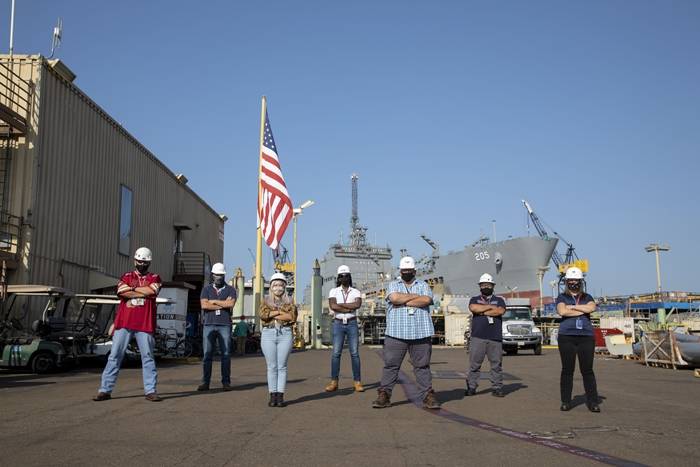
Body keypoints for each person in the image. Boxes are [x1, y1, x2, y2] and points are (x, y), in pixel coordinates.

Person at [93, 247, 163, 402]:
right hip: (124, 323)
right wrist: (140, 291)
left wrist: (132, 290)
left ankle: (150, 390)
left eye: (144, 262)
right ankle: (105, 390)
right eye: (139, 261)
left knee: (148, 357)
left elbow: (152, 291)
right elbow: (122, 291)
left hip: (145, 324)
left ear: (149, 262)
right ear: (134, 260)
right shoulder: (126, 276)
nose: (141, 264)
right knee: (115, 355)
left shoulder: (155, 277)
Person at [373, 256, 441, 409]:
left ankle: (428, 395)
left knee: (422, 367)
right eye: (404, 270)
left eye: (410, 270)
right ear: (400, 271)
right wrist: (415, 298)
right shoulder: (393, 285)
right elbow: (395, 298)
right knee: (391, 366)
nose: (407, 272)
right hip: (396, 333)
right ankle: (384, 394)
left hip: (420, 332)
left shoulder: (423, 284)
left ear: (414, 271)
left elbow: (427, 300)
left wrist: (404, 300)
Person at [556, 266, 600, 412]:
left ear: (581, 281)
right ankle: (566, 401)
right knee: (567, 370)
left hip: (586, 337)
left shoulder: (588, 297)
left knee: (587, 370)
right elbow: (562, 311)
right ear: (566, 281)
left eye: (576, 280)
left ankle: (593, 402)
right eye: (571, 280)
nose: (573, 282)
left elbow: (592, 308)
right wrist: (581, 308)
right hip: (566, 336)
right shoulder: (562, 297)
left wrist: (572, 308)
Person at [259, 273, 297, 407]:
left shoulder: (290, 301)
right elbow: (263, 315)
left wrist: (273, 314)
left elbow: (291, 317)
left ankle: (280, 396)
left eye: (281, 285)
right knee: (271, 366)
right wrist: (280, 313)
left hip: (285, 334)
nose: (278, 288)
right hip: (268, 333)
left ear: (285, 287)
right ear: (271, 287)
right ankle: (272, 395)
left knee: (282, 366)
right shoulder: (265, 300)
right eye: (275, 285)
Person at [466, 273, 507, 397]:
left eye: (488, 285)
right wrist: (489, 308)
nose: (485, 287)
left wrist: (482, 310)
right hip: (478, 337)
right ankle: (471, 387)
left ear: (493, 286)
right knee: (474, 364)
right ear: (480, 286)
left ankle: (497, 387)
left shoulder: (500, 300)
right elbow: (473, 308)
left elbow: (500, 311)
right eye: (483, 285)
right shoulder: (474, 299)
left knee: (496, 365)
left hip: (495, 337)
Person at [198, 262, 237, 391]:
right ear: (212, 275)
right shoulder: (206, 289)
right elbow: (204, 305)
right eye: (216, 275)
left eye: (221, 275)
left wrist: (213, 301)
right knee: (207, 354)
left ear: (224, 275)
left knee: (225, 354)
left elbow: (230, 304)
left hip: (224, 325)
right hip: (209, 324)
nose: (219, 277)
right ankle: (205, 382)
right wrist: (222, 304)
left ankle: (226, 382)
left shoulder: (231, 289)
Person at [325, 265, 364, 393]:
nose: (344, 278)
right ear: (338, 278)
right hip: (338, 323)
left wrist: (340, 305)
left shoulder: (356, 292)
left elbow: (357, 304)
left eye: (346, 275)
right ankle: (334, 382)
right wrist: (349, 308)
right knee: (336, 353)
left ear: (349, 276)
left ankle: (357, 382)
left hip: (352, 323)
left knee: (355, 353)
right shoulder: (333, 291)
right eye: (341, 276)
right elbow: (332, 306)